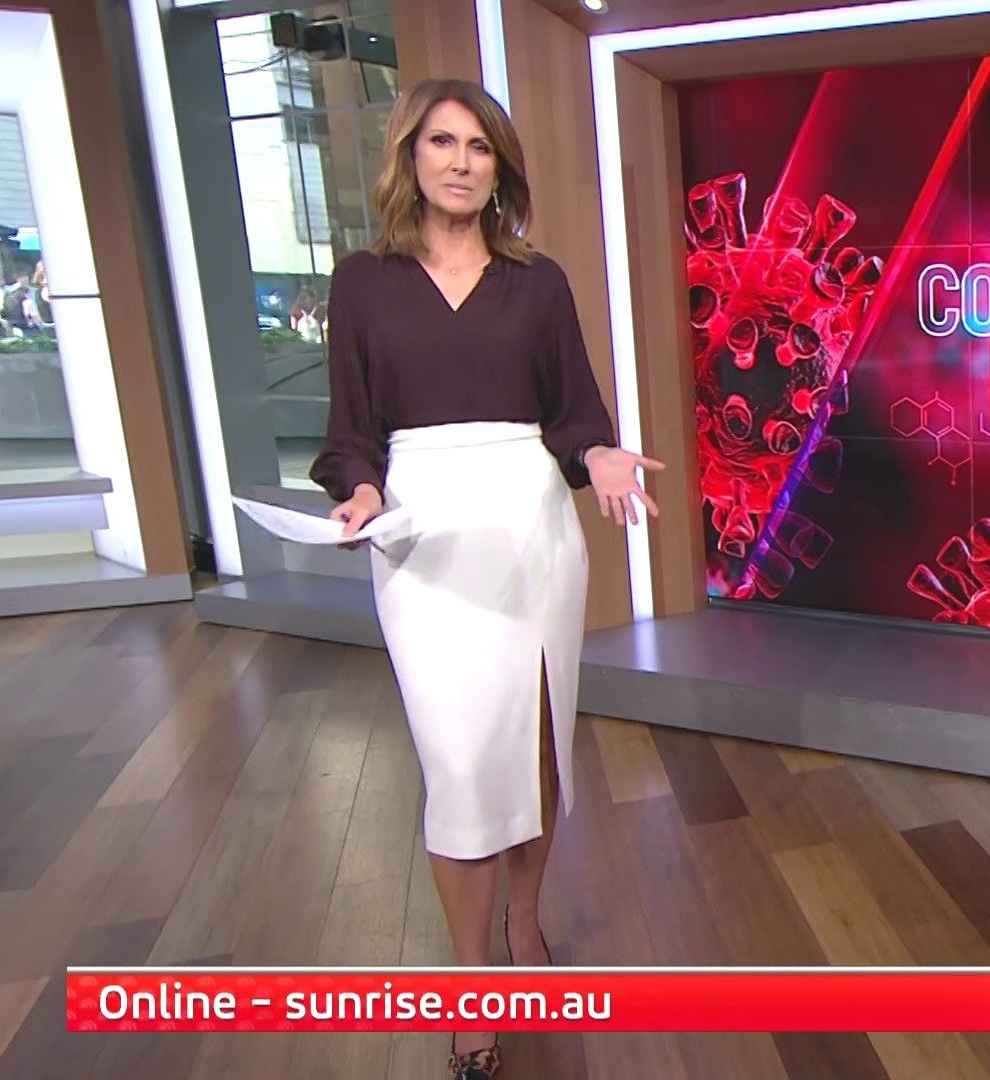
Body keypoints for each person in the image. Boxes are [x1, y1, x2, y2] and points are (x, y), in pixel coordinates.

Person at [308, 77, 664, 1080]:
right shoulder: (363, 281)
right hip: (422, 537)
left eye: (479, 147)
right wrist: (360, 490)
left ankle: (525, 922)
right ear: (410, 156)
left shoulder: (537, 282)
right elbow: (350, 430)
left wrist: (598, 456)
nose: (461, 161)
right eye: (443, 142)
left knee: (535, 743)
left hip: (532, 528)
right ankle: (472, 979)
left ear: (499, 167)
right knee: (461, 761)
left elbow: (575, 414)